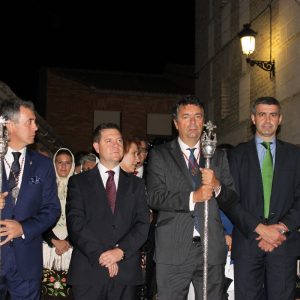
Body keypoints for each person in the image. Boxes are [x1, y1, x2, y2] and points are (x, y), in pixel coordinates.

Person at [146, 95, 237, 300]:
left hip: (210, 248)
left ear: (204, 122)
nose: (193, 122)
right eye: (186, 117)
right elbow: (154, 196)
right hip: (173, 248)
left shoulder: (218, 156)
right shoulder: (161, 155)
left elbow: (232, 200)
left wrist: (217, 186)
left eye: (198, 116)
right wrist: (192, 197)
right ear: (176, 123)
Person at [66, 123, 150, 300]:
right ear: (96, 147)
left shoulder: (136, 185)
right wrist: (102, 255)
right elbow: (76, 224)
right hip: (89, 270)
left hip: (125, 271)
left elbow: (142, 224)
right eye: (109, 141)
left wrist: (120, 252)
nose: (116, 145)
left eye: (119, 140)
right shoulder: (78, 183)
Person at [228, 96, 300, 300]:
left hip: (283, 243)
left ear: (280, 119)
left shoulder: (295, 155)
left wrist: (280, 228)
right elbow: (231, 201)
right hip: (248, 242)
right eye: (262, 114)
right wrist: (260, 229)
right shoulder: (236, 155)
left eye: (273, 115)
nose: (267, 120)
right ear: (253, 118)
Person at [0, 98, 61, 300]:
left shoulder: (43, 165)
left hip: (26, 263)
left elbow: (52, 209)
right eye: (30, 121)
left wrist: (23, 228)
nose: (36, 127)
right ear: (9, 125)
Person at [42, 148, 75, 299]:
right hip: (48, 246)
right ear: (53, 164)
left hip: (71, 247)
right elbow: (39, 217)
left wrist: (67, 242)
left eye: (67, 163)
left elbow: (82, 219)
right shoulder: (45, 186)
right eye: (59, 162)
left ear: (72, 165)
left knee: (67, 292)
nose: (63, 166)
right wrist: (54, 240)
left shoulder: (79, 188)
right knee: (47, 291)